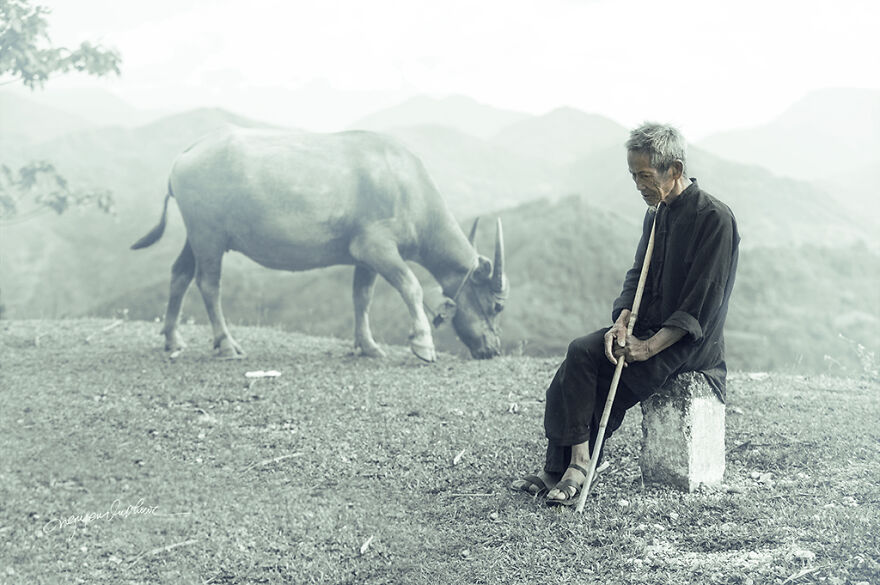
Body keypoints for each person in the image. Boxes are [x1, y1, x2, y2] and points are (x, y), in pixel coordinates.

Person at [511, 122, 740, 506]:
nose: (638, 185)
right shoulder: (657, 214)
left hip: (689, 342)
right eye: (633, 175)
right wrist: (621, 322)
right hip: (646, 329)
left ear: (675, 170)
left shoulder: (714, 219)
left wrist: (647, 348)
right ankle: (562, 465)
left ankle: (580, 468)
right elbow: (637, 277)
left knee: (614, 382)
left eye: (645, 176)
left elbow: (701, 303)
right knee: (579, 356)